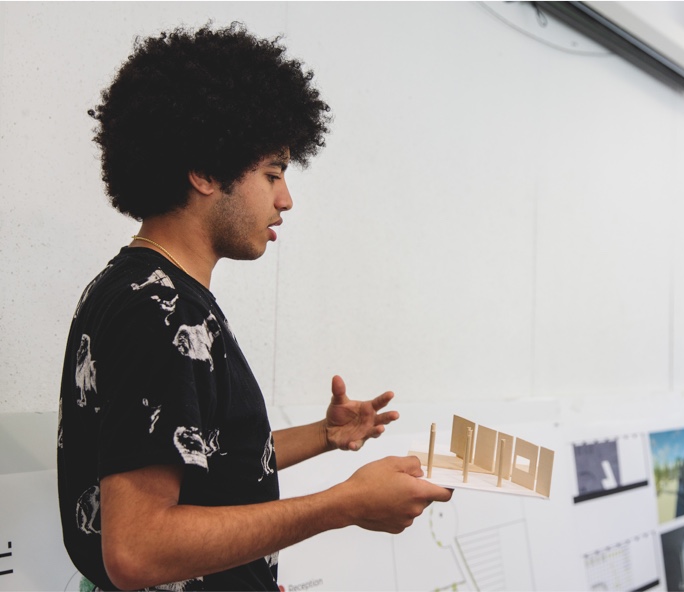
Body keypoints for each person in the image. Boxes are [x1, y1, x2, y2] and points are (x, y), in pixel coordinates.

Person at [57, 23, 452, 591]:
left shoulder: (135, 289)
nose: (285, 199)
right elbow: (137, 550)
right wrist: (343, 504)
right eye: (272, 174)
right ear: (204, 171)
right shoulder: (160, 311)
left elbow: (200, 454)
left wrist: (324, 435)